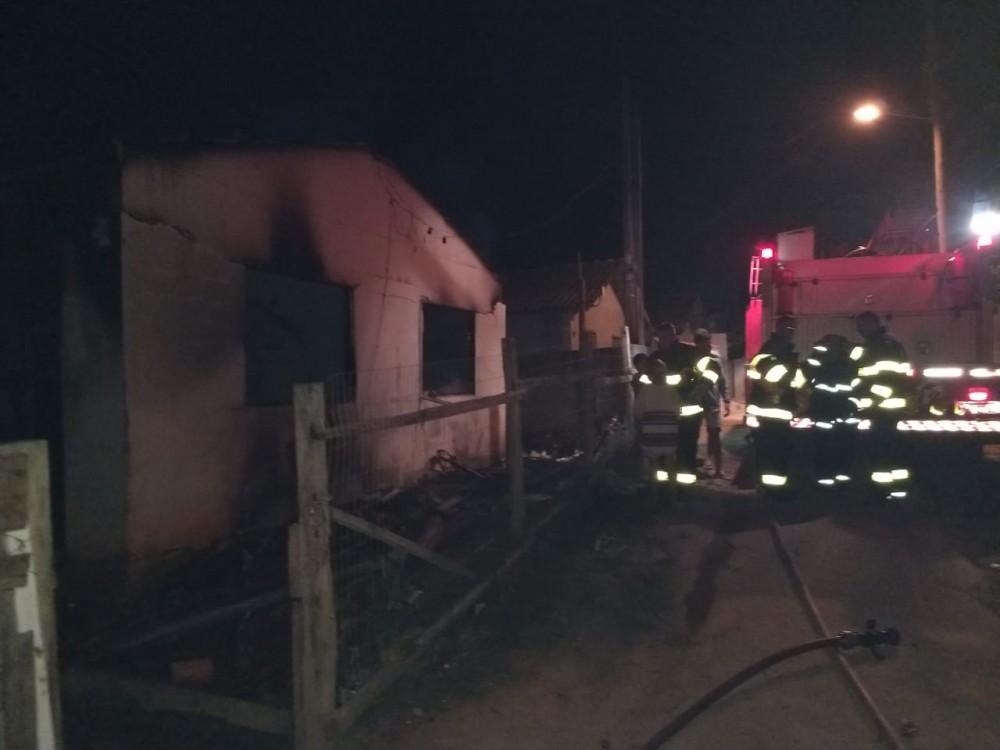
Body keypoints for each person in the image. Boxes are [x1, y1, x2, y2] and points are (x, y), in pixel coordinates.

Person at [853, 311, 912, 499]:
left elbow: (887, 379)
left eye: (861, 326)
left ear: (872, 324)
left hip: (884, 407)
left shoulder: (884, 345)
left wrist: (871, 401)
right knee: (889, 449)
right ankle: (895, 489)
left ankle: (883, 491)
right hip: (886, 406)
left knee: (883, 449)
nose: (859, 330)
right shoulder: (884, 343)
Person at [746, 316, 805, 492]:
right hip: (772, 411)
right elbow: (765, 377)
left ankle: (771, 487)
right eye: (788, 329)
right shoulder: (773, 351)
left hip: (778, 411)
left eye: (792, 330)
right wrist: (780, 387)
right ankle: (773, 491)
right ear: (779, 329)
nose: (790, 333)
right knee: (774, 452)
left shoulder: (782, 350)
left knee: (774, 452)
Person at [804, 333, 857, 487]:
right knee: (826, 445)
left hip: (836, 409)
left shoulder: (847, 361)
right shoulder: (842, 361)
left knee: (841, 445)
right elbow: (807, 374)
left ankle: (837, 479)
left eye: (835, 345)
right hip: (829, 409)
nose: (832, 348)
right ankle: (828, 479)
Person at [652, 323, 701, 485]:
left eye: (663, 337)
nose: (661, 340)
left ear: (671, 336)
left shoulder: (656, 358)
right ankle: (679, 487)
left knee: (670, 450)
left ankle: (668, 486)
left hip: (675, 413)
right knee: (684, 450)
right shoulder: (690, 353)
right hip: (680, 413)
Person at [634, 358, 681, 497]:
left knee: (653, 465)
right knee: (670, 463)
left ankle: (654, 496)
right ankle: (672, 495)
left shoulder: (644, 391)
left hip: (650, 432)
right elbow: (677, 412)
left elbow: (638, 412)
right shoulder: (671, 391)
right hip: (670, 432)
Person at [692, 329, 731, 478]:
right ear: (698, 344)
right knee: (693, 434)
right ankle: (701, 463)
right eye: (705, 344)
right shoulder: (691, 358)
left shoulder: (716, 358)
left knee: (714, 435)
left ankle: (718, 469)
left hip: (712, 401)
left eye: (709, 343)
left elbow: (722, 380)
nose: (708, 347)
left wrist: (726, 400)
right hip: (695, 402)